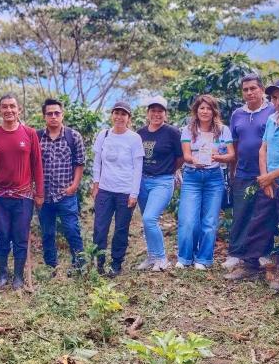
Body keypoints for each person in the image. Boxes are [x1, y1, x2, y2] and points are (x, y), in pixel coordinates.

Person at [225, 79, 279, 290]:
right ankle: (250, 263)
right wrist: (264, 177)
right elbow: (263, 149)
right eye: (274, 98)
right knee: (259, 222)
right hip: (268, 182)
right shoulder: (272, 119)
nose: (278, 102)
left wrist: (271, 177)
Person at [0, 94, 44, 290]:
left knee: (20, 236)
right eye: (4, 107)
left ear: (19, 110)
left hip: (23, 196)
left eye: (12, 106)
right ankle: (2, 274)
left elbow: (37, 165)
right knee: (1, 235)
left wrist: (40, 193)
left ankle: (18, 276)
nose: (9, 110)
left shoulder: (30, 133)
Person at [223, 73, 276, 270]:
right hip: (243, 172)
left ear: (262, 90)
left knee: (264, 215)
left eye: (253, 88)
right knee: (241, 214)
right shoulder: (237, 114)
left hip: (266, 173)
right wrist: (232, 172)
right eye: (245, 89)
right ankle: (235, 253)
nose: (249, 92)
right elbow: (235, 145)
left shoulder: (272, 110)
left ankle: (263, 253)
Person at [177, 94, 235, 269]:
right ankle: (185, 257)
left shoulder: (223, 130)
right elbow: (186, 155)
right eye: (202, 108)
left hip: (214, 178)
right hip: (192, 177)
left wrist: (218, 157)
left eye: (209, 108)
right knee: (188, 220)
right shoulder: (188, 130)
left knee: (209, 221)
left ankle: (203, 259)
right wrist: (194, 160)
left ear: (214, 111)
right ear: (196, 110)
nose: (205, 111)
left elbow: (231, 155)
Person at [92, 101, 144, 276]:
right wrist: (96, 184)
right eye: (117, 113)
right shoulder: (104, 135)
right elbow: (97, 162)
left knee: (121, 229)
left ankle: (116, 263)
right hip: (105, 190)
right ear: (112, 115)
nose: (119, 117)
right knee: (100, 228)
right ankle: (99, 262)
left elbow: (138, 168)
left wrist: (134, 193)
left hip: (125, 192)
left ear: (129, 118)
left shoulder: (134, 138)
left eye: (123, 114)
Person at [36, 98, 86, 274]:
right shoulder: (37, 137)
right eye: (49, 114)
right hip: (44, 195)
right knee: (47, 233)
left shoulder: (73, 136)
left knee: (72, 229)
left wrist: (74, 186)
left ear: (62, 115)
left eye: (57, 113)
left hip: (66, 194)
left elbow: (79, 163)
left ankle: (80, 265)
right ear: (44, 116)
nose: (53, 116)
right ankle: (51, 267)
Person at [136, 96, 183, 271]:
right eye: (153, 110)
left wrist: (170, 170)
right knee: (147, 221)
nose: (156, 114)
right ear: (148, 113)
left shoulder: (172, 132)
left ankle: (162, 258)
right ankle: (152, 256)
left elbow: (181, 157)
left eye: (160, 111)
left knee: (150, 218)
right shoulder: (140, 133)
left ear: (165, 113)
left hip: (163, 181)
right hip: (142, 181)